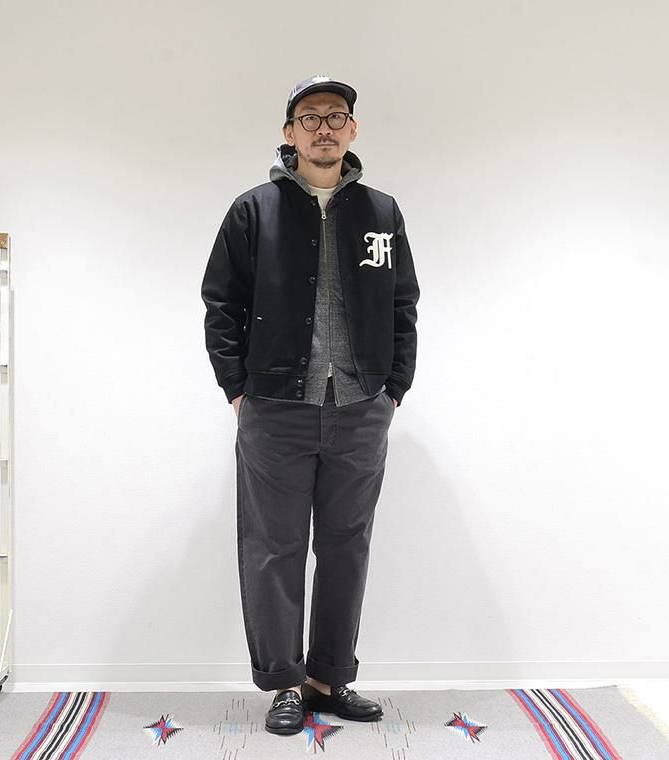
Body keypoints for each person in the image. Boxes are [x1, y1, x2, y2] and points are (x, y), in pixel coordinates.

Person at [201, 74, 420, 736]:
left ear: (352, 129)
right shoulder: (254, 211)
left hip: (361, 405)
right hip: (274, 407)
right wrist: (238, 389)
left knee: (347, 545)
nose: (324, 127)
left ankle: (329, 679)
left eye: (336, 115)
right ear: (289, 132)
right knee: (274, 547)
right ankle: (285, 683)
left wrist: (394, 387)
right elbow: (220, 304)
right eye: (310, 117)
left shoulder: (382, 212)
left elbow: (404, 303)